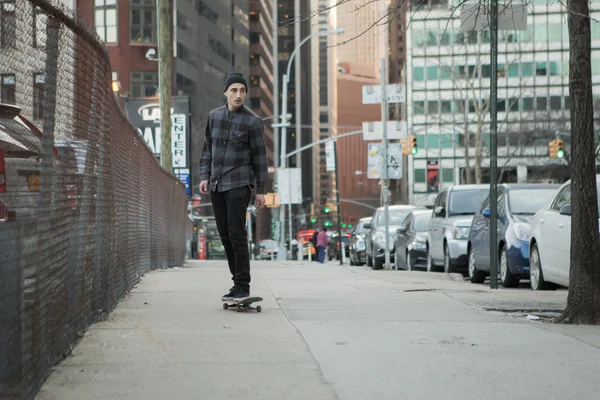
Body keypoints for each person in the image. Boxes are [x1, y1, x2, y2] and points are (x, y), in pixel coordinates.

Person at [199, 72, 267, 301]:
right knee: (225, 235)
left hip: (240, 183)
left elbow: (260, 158)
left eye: (243, 91)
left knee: (237, 234)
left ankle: (243, 285)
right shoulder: (214, 117)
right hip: (218, 184)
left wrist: (261, 191)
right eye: (234, 90)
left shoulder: (253, 122)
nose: (239, 95)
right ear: (226, 92)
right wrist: (204, 175)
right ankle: (236, 282)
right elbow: (208, 148)